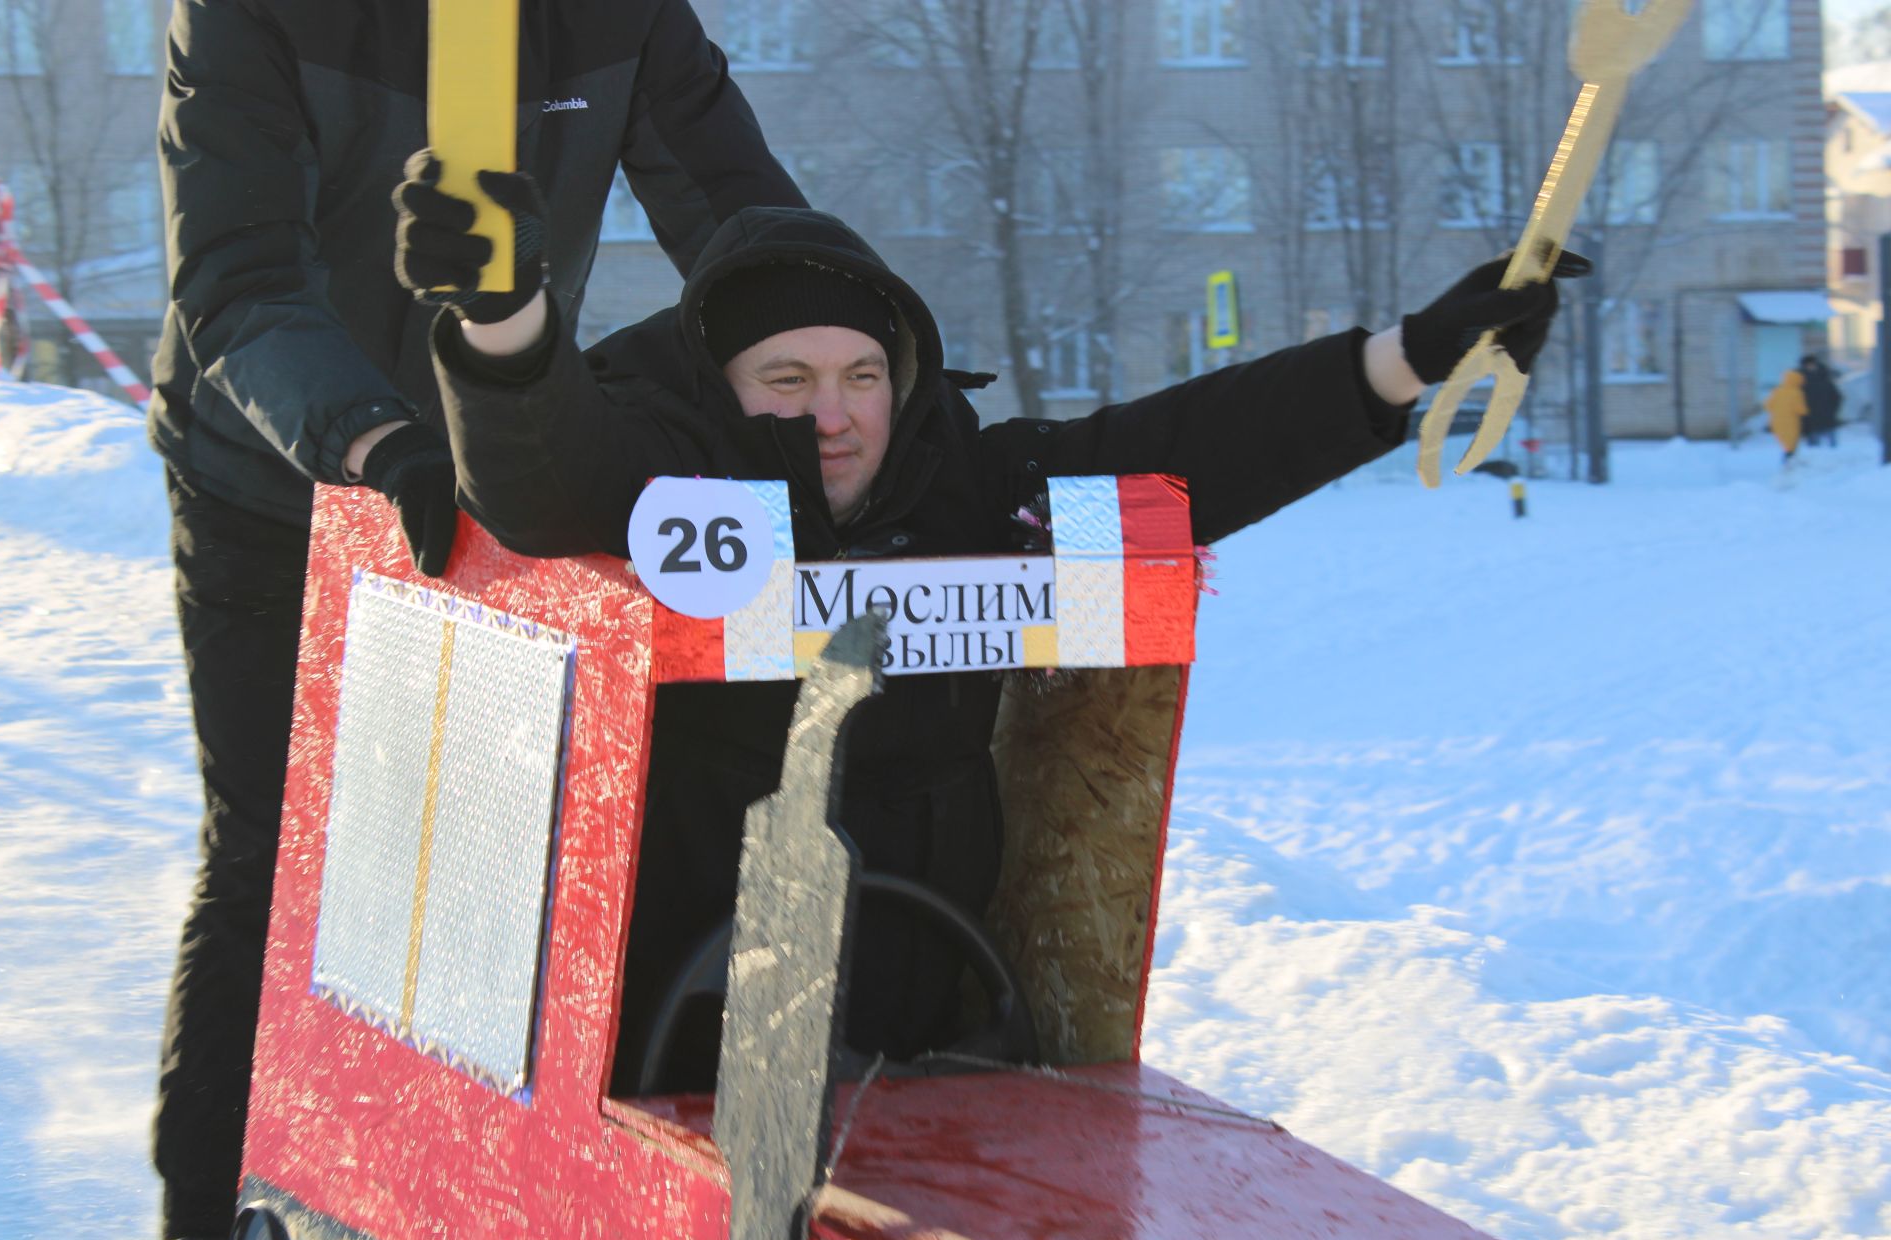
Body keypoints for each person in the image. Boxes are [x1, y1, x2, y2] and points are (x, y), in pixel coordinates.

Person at [391, 162, 1584, 1098]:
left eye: (863, 374)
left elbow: (1184, 456)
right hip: (679, 1042)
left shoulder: (965, 485)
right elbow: (549, 474)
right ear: (721, 386)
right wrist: (505, 324)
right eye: (788, 380)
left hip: (933, 1035)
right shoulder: (669, 479)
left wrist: (1410, 358)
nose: (837, 415)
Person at [142, 2, 807, 1240]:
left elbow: (742, 224)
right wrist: (369, 439)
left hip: (488, 464)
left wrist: (859, 358)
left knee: (496, 863)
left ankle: (436, 1206)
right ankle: (198, 1225)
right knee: (283, 845)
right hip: (271, 472)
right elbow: (236, 280)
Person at [1764, 365, 1807, 463]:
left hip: (1776, 422)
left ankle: (1788, 460)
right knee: (1791, 444)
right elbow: (1801, 409)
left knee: (1785, 443)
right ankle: (1789, 463)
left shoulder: (1777, 391)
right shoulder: (1796, 393)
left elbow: (1768, 405)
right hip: (1791, 422)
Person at [1799, 354, 1843, 448]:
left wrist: (1832, 409)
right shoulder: (1800, 381)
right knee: (1813, 445)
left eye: (1812, 364)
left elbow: (1836, 396)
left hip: (1826, 414)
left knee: (1831, 444)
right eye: (1807, 365)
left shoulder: (1824, 377)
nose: (1810, 367)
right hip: (1810, 417)